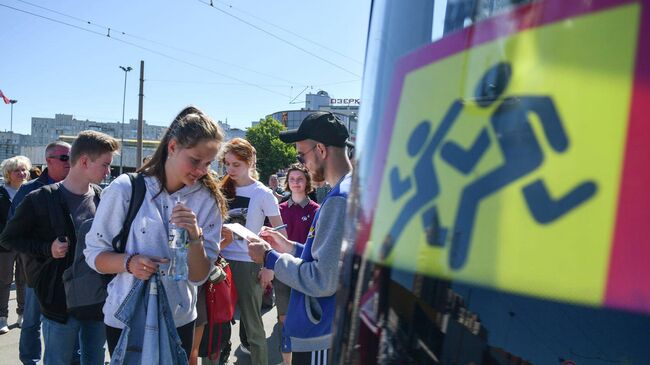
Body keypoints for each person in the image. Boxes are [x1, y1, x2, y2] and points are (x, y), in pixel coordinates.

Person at [84, 106, 227, 361]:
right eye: (195, 160)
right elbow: (94, 255)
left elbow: (199, 276)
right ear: (172, 147)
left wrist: (195, 237)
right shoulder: (126, 188)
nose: (202, 170)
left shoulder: (208, 201)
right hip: (125, 316)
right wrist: (128, 263)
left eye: (208, 163)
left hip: (179, 317)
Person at [0, 132, 119, 365]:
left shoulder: (101, 198)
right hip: (59, 303)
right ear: (84, 161)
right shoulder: (40, 198)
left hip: (97, 303)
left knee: (94, 359)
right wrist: (47, 248)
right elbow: (9, 239)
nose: (108, 172)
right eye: (105, 165)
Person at [248, 111, 353, 364]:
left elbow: (322, 279)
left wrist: (270, 258)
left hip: (322, 333)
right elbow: (329, 259)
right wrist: (291, 248)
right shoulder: (349, 189)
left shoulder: (339, 199)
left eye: (301, 155)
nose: (301, 163)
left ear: (320, 150)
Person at [216, 137, 285, 365]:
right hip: (220, 262)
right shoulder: (220, 188)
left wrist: (269, 267)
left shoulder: (262, 193)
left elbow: (280, 234)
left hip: (248, 263)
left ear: (250, 162)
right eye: (227, 163)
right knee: (216, 325)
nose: (230, 169)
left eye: (236, 164)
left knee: (253, 326)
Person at [9, 141, 71, 365]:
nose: (70, 163)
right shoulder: (30, 190)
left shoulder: (77, 187)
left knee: (65, 324)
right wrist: (46, 248)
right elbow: (13, 233)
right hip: (38, 270)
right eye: (65, 158)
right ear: (49, 160)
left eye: (72, 158)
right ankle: (30, 361)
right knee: (32, 322)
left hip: (69, 272)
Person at [275, 163, 320, 365]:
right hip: (283, 270)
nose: (295, 183)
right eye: (292, 179)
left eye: (300, 179)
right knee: (284, 319)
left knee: (304, 319)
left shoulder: (317, 210)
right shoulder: (279, 209)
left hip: (307, 272)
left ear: (307, 182)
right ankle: (286, 362)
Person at [0, 155, 31, 334]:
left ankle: (23, 315)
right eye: (17, 170)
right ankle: (2, 317)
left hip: (25, 244)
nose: (21, 173)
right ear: (8, 174)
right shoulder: (2, 193)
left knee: (24, 280)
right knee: (4, 281)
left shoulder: (30, 191)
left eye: (23, 169)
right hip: (4, 246)